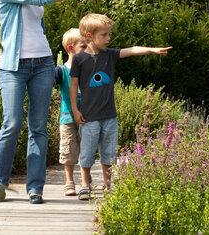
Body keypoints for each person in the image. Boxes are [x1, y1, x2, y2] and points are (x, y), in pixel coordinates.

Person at [0, 0, 107, 205]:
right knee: (12, 123)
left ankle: (35, 188)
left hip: (42, 64)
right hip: (13, 67)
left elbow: (31, 25)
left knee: (39, 127)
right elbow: (37, 1)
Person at [70, 13, 172, 201]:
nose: (109, 38)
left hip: (109, 116)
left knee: (109, 154)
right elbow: (73, 85)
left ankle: (108, 185)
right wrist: (75, 110)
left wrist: (152, 50)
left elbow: (132, 50)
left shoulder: (109, 55)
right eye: (104, 35)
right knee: (87, 153)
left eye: (109, 34)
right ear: (89, 36)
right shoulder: (79, 59)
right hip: (88, 117)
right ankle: (85, 185)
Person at [54, 28, 87, 197]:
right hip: (67, 116)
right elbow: (48, 80)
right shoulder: (61, 71)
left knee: (85, 149)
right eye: (83, 46)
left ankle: (84, 183)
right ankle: (69, 181)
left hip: (86, 116)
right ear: (70, 48)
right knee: (68, 149)